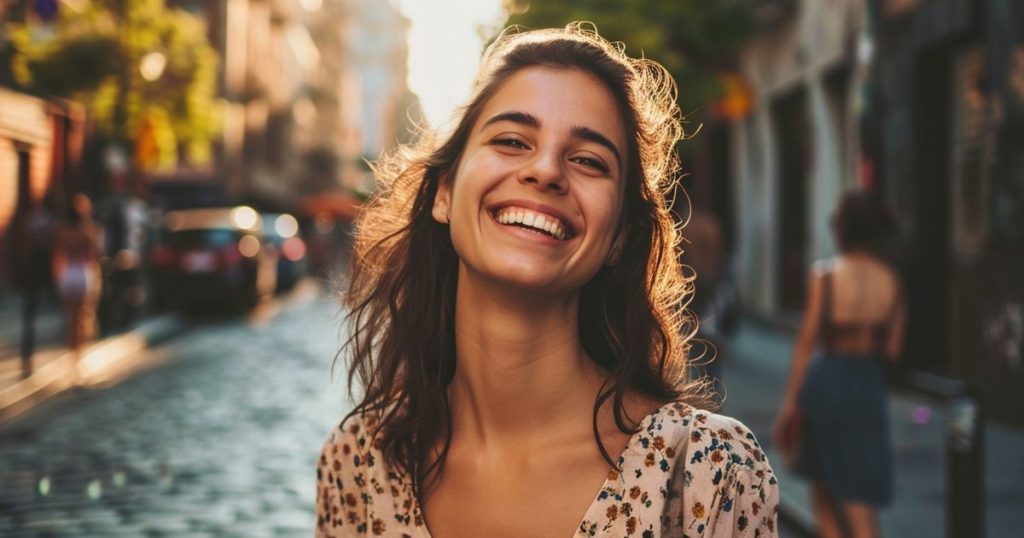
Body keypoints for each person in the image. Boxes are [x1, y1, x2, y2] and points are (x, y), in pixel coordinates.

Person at [316, 24, 778, 537]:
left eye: (588, 160)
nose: (546, 170)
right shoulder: (357, 462)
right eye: (513, 141)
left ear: (621, 234)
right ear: (444, 192)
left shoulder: (708, 471)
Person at [773, 191, 905, 538]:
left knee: (824, 492)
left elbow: (806, 343)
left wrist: (789, 405)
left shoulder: (826, 276)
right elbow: (893, 350)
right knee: (861, 498)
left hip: (826, 385)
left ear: (842, 229)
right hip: (868, 386)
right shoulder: (891, 281)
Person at [53, 193, 103, 374]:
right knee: (83, 317)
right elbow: (94, 253)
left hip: (67, 273)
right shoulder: (88, 231)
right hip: (82, 273)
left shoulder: (64, 232)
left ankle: (72, 355)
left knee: (71, 318)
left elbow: (58, 254)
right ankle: (79, 357)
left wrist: (58, 276)